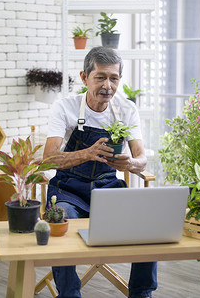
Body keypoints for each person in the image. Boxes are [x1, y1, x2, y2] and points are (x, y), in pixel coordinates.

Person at [43, 46, 157, 298]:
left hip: (108, 189)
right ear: (84, 78)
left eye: (114, 78)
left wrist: (129, 164)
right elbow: (48, 159)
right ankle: (69, 294)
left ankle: (141, 293)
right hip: (68, 189)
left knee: (146, 224)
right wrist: (86, 153)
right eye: (100, 77)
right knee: (59, 219)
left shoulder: (126, 110)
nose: (108, 85)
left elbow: (142, 159)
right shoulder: (65, 108)